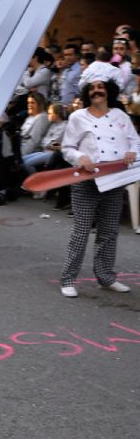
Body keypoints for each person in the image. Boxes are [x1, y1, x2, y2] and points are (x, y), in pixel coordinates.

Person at [59, 77, 139, 298]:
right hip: (87, 180)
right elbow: (67, 148)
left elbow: (135, 141)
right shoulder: (77, 117)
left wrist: (132, 151)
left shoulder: (120, 116)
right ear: (87, 93)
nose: (97, 91)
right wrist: (80, 157)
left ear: (108, 91)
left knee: (109, 233)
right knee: (81, 232)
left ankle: (106, 277)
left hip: (114, 180)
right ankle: (68, 279)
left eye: (100, 87)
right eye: (92, 88)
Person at [22, 103, 67, 173]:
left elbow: (53, 143)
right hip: (45, 151)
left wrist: (49, 144)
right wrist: (49, 144)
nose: (48, 115)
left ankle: (36, 181)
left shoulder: (64, 126)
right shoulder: (53, 125)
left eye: (50, 113)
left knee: (27, 164)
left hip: (53, 154)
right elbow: (44, 141)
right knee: (23, 160)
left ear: (57, 114)